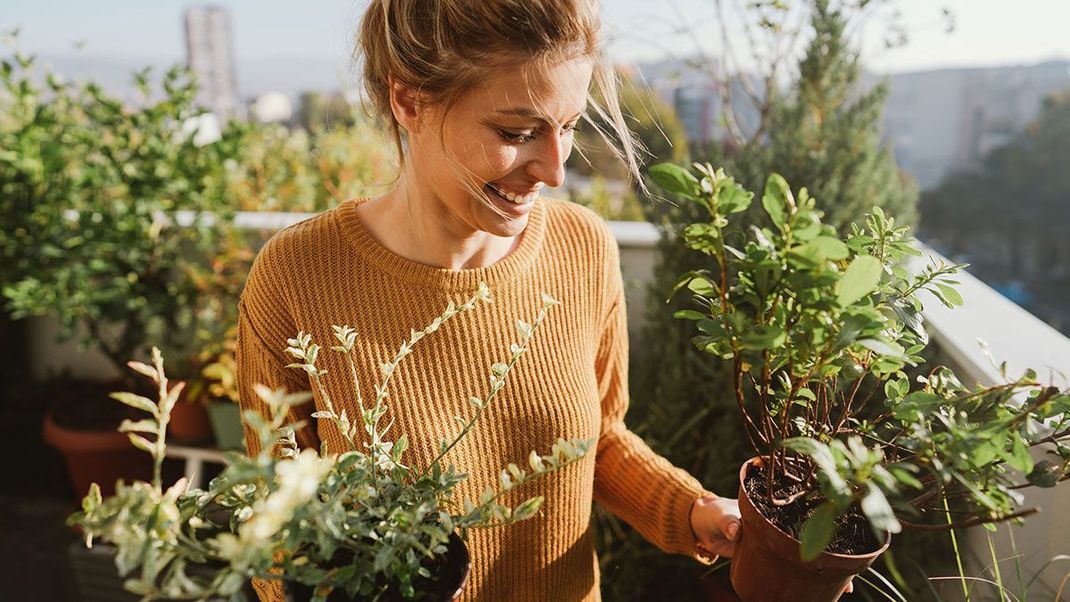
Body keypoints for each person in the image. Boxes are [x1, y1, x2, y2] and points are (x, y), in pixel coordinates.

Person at [236, 1, 742, 600]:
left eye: (571, 125)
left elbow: (596, 439)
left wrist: (695, 512)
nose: (555, 170)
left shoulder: (584, 250)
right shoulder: (297, 278)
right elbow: (280, 533)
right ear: (409, 101)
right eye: (517, 133)